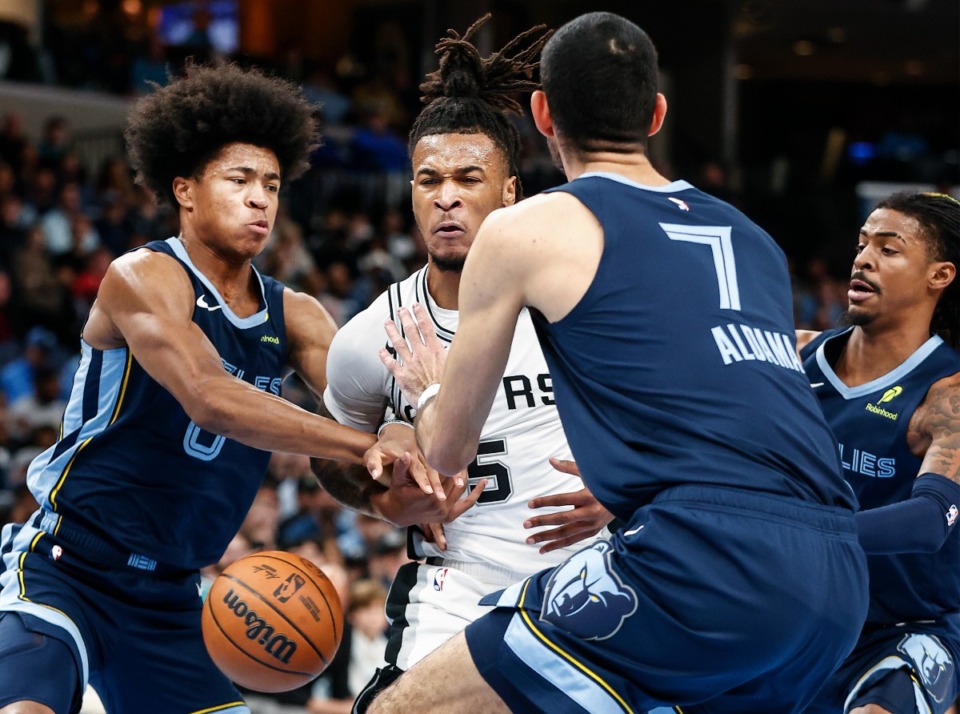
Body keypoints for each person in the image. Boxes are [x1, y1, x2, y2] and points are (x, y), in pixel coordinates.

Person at [372, 12, 870, 714]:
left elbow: (449, 451)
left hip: (703, 562)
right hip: (836, 578)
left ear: (542, 114)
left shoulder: (526, 227)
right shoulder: (755, 238)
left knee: (406, 707)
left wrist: (424, 396)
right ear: (658, 113)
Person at [0, 61, 404, 714]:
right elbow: (208, 398)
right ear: (185, 190)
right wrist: (361, 443)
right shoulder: (142, 276)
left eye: (272, 185)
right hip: (66, 568)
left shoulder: (295, 313)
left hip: (175, 600)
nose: (260, 199)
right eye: (239, 180)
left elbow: (367, 413)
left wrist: (400, 475)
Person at [314, 16, 613, 712]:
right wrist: (383, 495)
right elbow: (332, 455)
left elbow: (682, 420)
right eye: (429, 179)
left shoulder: (580, 305)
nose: (446, 195)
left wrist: (625, 489)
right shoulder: (370, 335)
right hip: (458, 594)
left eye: (468, 177)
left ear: (509, 191)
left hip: (588, 585)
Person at [797, 191, 960, 714]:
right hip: (792, 611)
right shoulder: (794, 357)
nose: (863, 258)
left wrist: (795, 532)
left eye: (890, 250)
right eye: (863, 243)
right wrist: (623, 493)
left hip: (905, 626)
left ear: (940, 275)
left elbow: (931, 520)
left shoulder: (947, 393)